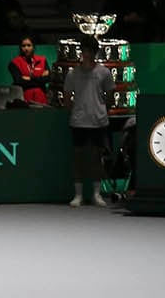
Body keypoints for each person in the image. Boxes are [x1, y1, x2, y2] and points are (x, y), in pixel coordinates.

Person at [61, 34, 113, 207]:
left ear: (95, 52)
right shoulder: (72, 74)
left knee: (96, 158)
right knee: (79, 158)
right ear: (81, 52)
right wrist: (75, 110)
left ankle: (97, 194)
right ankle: (78, 195)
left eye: (90, 51)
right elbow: (67, 97)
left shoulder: (104, 72)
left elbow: (110, 95)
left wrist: (102, 110)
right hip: (78, 122)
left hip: (98, 121)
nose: (87, 54)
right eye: (84, 51)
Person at [9, 37, 50, 105]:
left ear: (33, 46)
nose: (26, 48)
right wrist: (40, 79)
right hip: (24, 100)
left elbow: (48, 78)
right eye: (23, 46)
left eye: (29, 45)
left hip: (42, 99)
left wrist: (30, 78)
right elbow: (19, 81)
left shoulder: (42, 60)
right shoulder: (14, 63)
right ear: (20, 47)